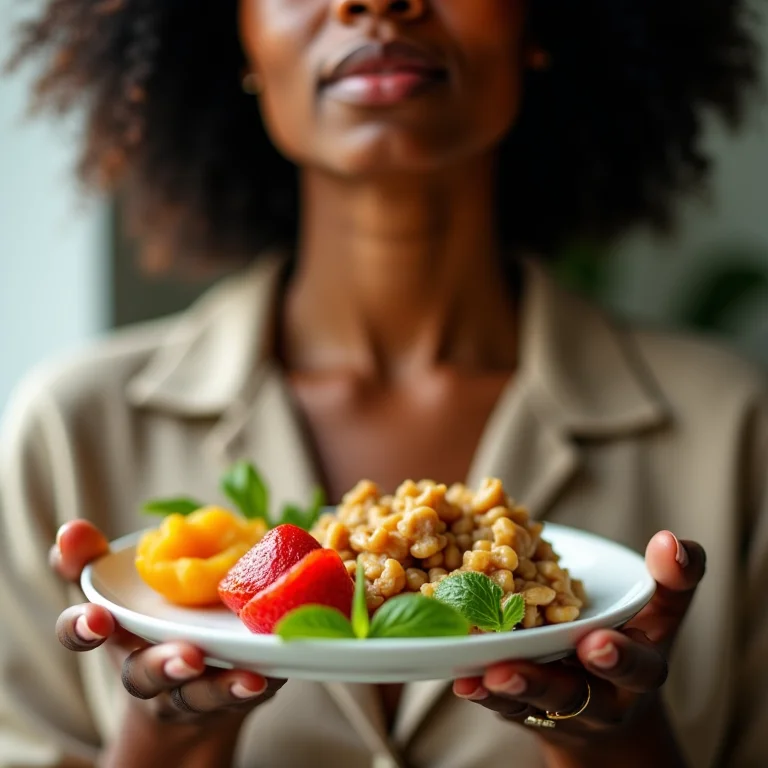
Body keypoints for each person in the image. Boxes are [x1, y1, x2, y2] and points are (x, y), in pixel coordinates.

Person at [1, 0, 766, 766]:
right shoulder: (71, 430)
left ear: (537, 25)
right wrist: (167, 743)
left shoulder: (733, 428)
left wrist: (619, 742)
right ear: (235, 36)